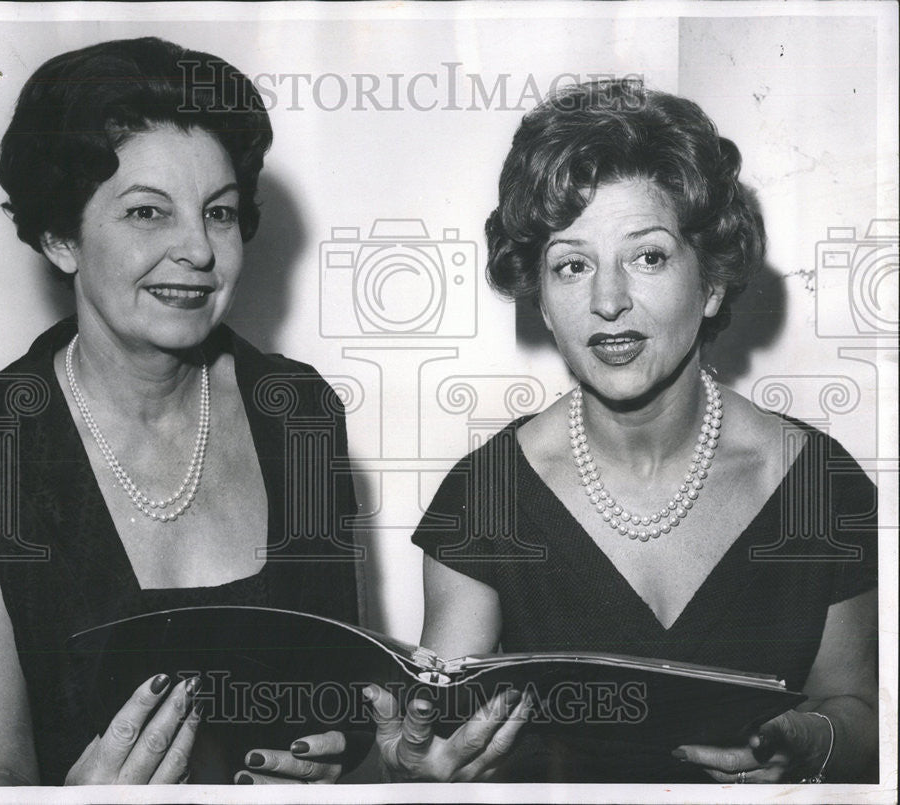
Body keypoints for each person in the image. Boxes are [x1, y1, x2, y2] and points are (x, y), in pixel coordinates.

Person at [359, 79, 877, 783]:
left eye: (649, 256)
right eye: (572, 265)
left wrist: (811, 741)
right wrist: (413, 769)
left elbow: (858, 710)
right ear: (541, 298)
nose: (608, 301)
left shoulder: (821, 481)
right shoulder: (484, 497)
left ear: (714, 281)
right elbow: (441, 734)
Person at [0, 37, 360, 786]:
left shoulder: (300, 411)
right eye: (147, 212)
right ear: (62, 236)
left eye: (219, 212)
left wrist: (337, 752)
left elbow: (343, 697)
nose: (198, 248)